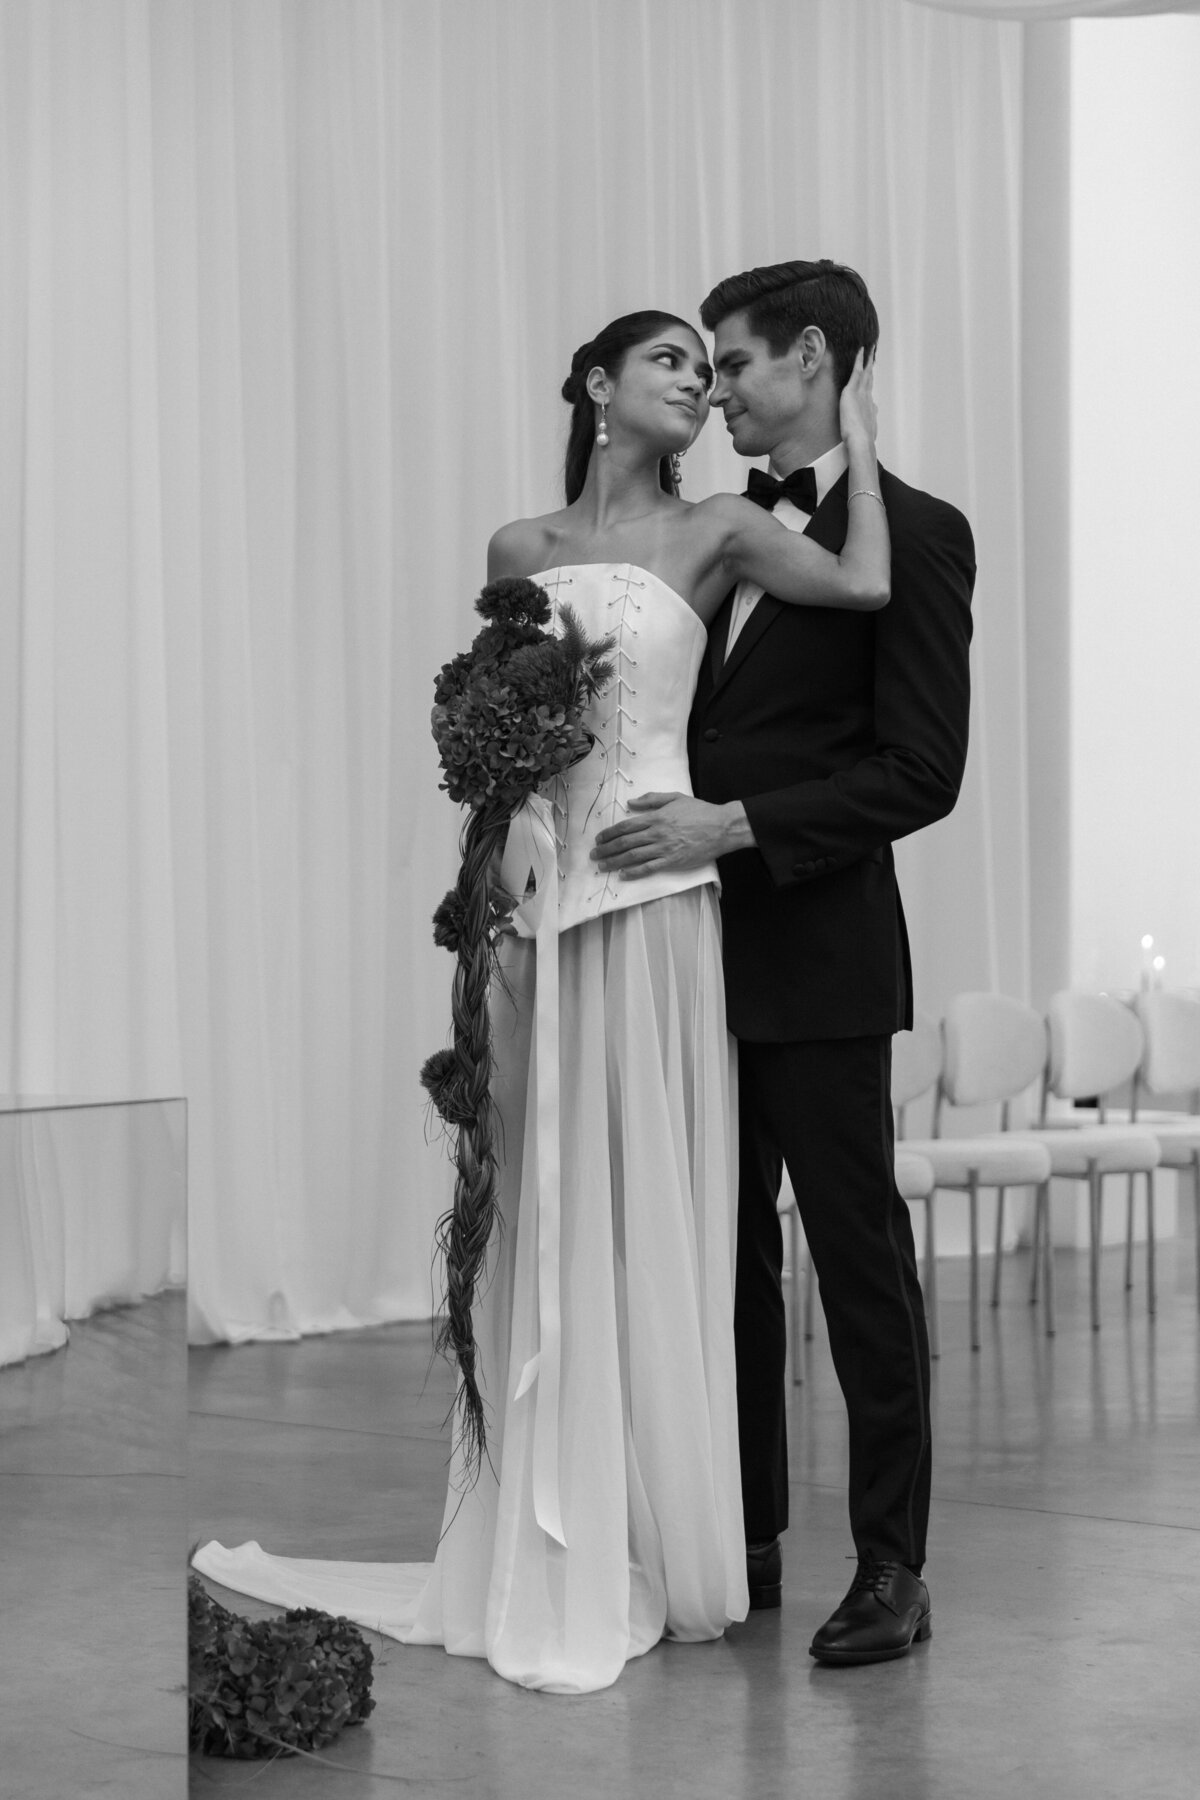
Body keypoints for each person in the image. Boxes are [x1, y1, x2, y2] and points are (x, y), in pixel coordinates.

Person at [192, 308, 890, 1695]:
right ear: (598, 384)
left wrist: (856, 435)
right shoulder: (521, 549)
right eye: (671, 364)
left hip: (662, 894)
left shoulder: (725, 533)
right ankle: (540, 1526)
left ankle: (657, 1528)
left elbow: (865, 589)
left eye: (710, 368)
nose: (696, 386)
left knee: (656, 1203)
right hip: (538, 910)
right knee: (535, 1206)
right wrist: (500, 821)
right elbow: (494, 725)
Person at [593, 262, 976, 1666]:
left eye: (738, 366)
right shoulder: (707, 530)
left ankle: (892, 1564)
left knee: (857, 1257)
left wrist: (741, 823)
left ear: (813, 359)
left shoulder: (917, 535)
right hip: (681, 958)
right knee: (723, 1261)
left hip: (818, 951)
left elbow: (920, 771)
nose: (717, 392)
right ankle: (740, 1538)